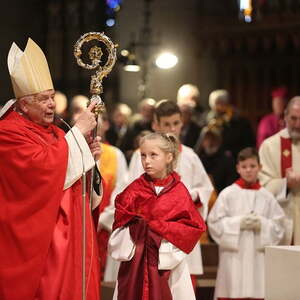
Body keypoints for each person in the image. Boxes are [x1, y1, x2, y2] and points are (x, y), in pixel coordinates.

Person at [0, 38, 102, 299]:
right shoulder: (8, 133)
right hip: (44, 242)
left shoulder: (56, 131)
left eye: (52, 97)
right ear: (23, 104)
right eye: (43, 99)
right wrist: (78, 133)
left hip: (72, 234)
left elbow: (69, 173)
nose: (52, 105)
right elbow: (39, 171)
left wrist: (89, 160)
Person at [108, 132, 206, 300]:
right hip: (135, 264)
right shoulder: (134, 190)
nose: (147, 161)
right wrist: (138, 227)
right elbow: (120, 222)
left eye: (153, 155)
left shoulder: (179, 192)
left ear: (169, 157)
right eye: (143, 155)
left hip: (168, 263)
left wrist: (158, 228)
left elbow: (192, 228)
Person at [128, 99, 214, 286]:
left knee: (183, 287)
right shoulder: (142, 155)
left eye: (176, 123)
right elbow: (131, 192)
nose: (172, 129)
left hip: (182, 231)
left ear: (182, 123)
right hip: (153, 234)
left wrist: (193, 196)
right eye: (166, 124)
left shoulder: (190, 155)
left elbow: (205, 189)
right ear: (155, 125)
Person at [208, 147, 285, 300]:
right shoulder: (227, 194)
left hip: (258, 258)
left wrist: (262, 224)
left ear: (260, 167)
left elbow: (279, 226)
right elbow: (214, 223)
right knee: (231, 289)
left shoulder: (267, 197)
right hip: (233, 258)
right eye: (244, 167)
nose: (248, 170)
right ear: (238, 168)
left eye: (252, 166)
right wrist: (238, 223)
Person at [259, 96, 300, 245]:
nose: (298, 124)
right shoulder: (270, 146)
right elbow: (263, 185)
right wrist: (285, 184)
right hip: (281, 220)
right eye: (293, 118)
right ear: (285, 116)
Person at [206, 89, 255, 160]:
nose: (219, 107)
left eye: (222, 103)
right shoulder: (208, 120)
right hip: (213, 160)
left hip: (235, 159)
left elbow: (248, 143)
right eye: (216, 103)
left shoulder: (240, 121)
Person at [195, 126, 238, 194]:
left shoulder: (228, 160)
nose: (210, 142)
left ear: (219, 141)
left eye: (213, 139)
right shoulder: (198, 161)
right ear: (202, 142)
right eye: (207, 139)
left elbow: (231, 187)